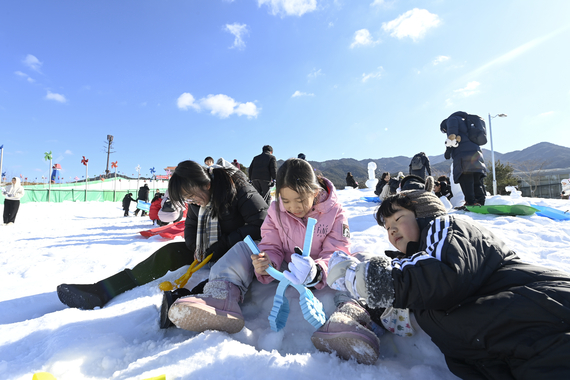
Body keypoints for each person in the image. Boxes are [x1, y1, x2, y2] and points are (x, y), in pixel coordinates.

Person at [326, 190, 570, 378]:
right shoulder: (416, 265)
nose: (392, 231)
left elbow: (439, 275)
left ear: (425, 215)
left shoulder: (446, 229)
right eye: (388, 228)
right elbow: (411, 292)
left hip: (544, 314)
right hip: (512, 347)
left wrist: (366, 278)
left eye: (398, 219)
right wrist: (357, 305)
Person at [166, 158, 351, 336]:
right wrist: (267, 260)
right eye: (286, 201)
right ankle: (222, 295)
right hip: (285, 266)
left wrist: (317, 271)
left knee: (353, 264)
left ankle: (351, 317)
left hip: (318, 271)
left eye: (300, 200)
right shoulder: (276, 210)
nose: (294, 207)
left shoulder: (334, 213)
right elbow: (271, 242)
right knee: (243, 249)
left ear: (315, 192)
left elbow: (336, 250)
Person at [56, 159, 268, 310]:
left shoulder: (237, 187)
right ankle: (101, 291)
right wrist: (196, 247)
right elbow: (190, 229)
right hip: (211, 249)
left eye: (193, 195)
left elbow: (261, 222)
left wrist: (223, 244)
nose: (192, 202)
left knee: (219, 272)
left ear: (207, 184)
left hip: (241, 251)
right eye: (187, 199)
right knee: (166, 253)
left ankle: (187, 306)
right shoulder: (198, 202)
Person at [441, 112, 487, 206]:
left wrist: (448, 152)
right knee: (476, 179)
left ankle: (470, 202)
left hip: (463, 154)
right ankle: (480, 201)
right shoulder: (467, 121)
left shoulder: (452, 120)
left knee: (465, 178)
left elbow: (452, 138)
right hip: (476, 153)